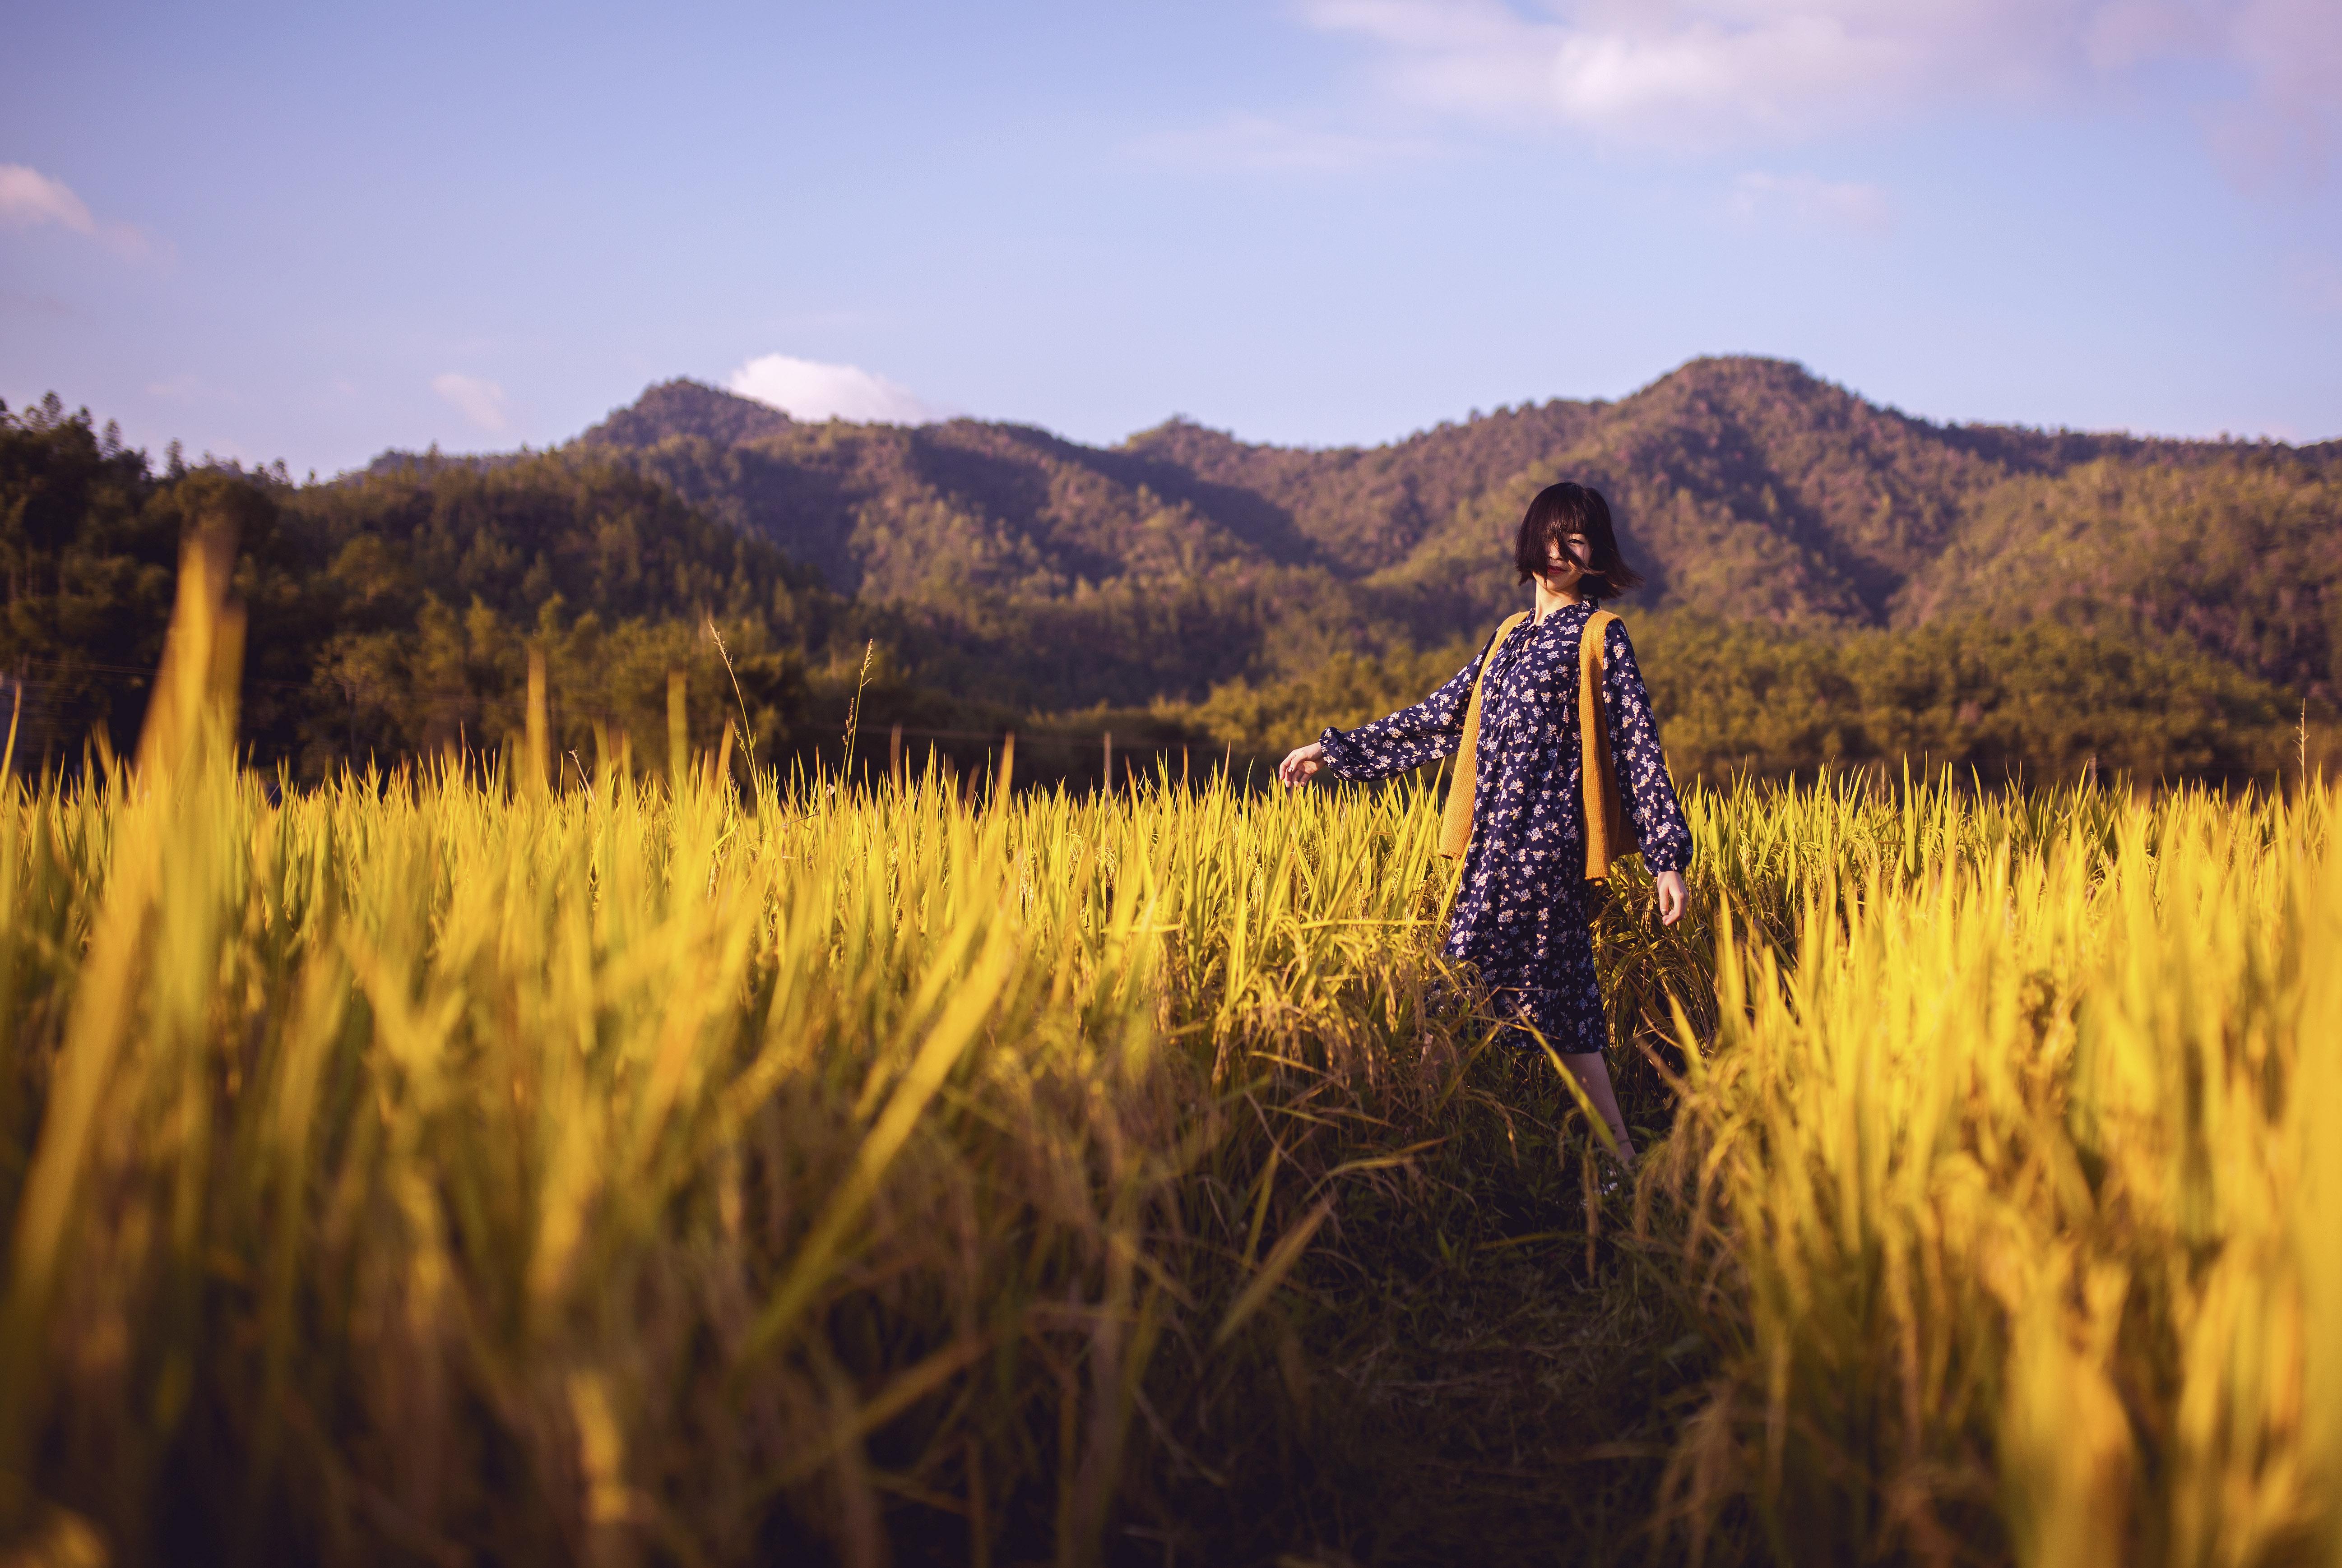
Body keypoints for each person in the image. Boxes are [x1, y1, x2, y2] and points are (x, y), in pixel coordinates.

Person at [1276, 481, 1692, 1166]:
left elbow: (1637, 745)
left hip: (1548, 851)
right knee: (1560, 1007)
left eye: (1577, 541)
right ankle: (1606, 1159)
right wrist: (1336, 748)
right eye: (1551, 538)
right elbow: (1439, 716)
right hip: (1492, 849)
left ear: (1596, 556)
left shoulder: (1599, 637)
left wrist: (1665, 858)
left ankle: (1419, 1146)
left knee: (1460, 986)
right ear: (1530, 542)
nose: (1560, 553)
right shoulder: (1507, 636)